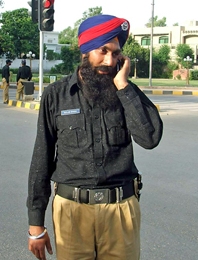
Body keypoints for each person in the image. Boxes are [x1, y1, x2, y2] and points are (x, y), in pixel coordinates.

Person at [27, 14, 163, 260]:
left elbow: (150, 138)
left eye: (116, 53)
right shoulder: (57, 95)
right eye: (103, 50)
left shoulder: (125, 91)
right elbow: (41, 159)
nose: (110, 61)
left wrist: (124, 86)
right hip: (71, 212)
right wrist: (36, 224)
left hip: (121, 211)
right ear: (85, 50)